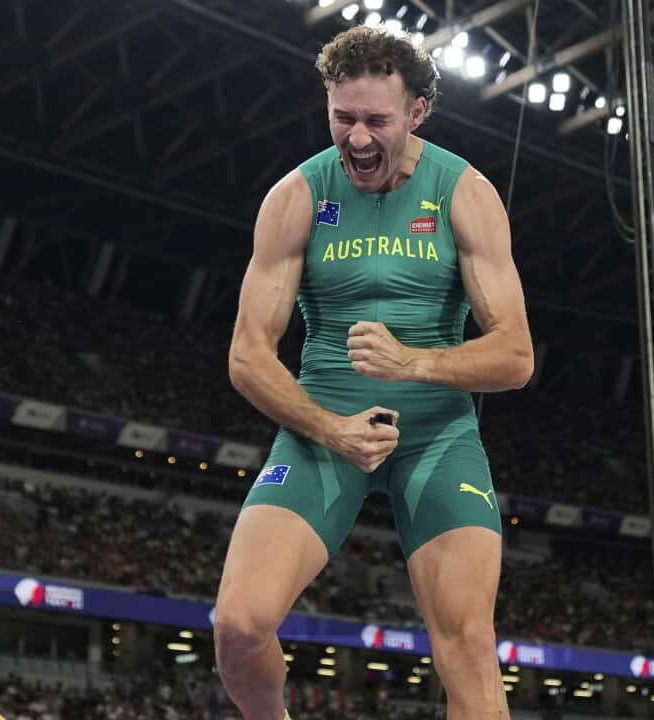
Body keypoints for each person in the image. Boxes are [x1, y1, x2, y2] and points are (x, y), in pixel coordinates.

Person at [215, 24, 533, 720]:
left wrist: (413, 360)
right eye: (343, 117)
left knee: (470, 644)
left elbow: (514, 355)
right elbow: (247, 355)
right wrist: (331, 428)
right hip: (323, 428)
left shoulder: (465, 193)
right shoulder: (296, 196)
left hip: (436, 437)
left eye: (377, 121)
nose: (357, 138)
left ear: (417, 112)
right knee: (237, 626)